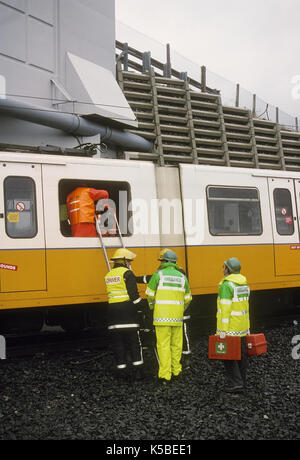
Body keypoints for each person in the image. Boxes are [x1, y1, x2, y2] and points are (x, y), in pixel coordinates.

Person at [136, 248, 192, 367]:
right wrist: (180, 309)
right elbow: (188, 297)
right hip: (178, 313)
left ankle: (167, 372)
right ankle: (177, 368)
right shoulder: (181, 274)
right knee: (177, 341)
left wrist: (153, 307)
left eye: (161, 260)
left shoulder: (160, 274)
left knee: (164, 344)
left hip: (164, 315)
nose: (160, 263)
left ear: (166, 261)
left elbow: (150, 291)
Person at [104, 248, 144, 379]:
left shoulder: (109, 275)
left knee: (118, 343)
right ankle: (138, 371)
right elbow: (134, 295)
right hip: (127, 312)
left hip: (113, 313)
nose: (130, 264)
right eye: (129, 261)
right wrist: (143, 308)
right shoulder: (127, 273)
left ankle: (121, 371)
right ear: (125, 261)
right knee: (134, 342)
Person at [216, 257, 250, 393]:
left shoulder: (226, 285)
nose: (222, 269)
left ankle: (236, 384)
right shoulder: (244, 284)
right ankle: (242, 380)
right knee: (241, 355)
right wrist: (247, 326)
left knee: (228, 356)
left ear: (227, 269)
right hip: (241, 326)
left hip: (230, 327)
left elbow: (225, 308)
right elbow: (246, 306)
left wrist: (223, 330)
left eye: (223, 267)